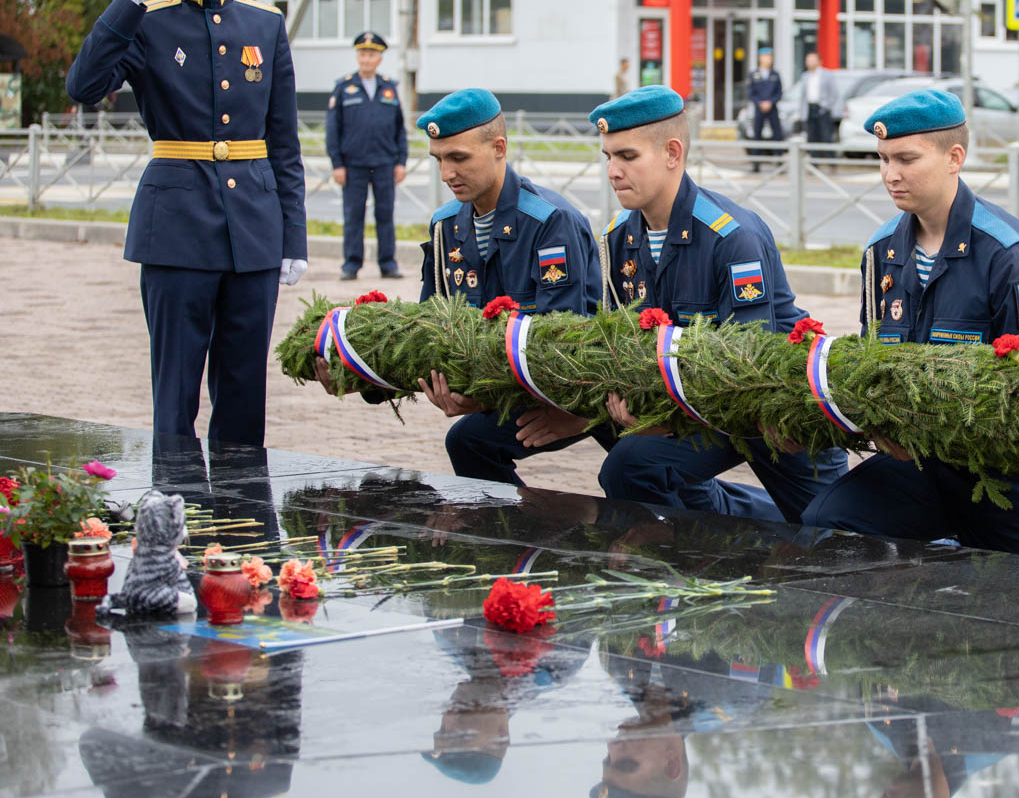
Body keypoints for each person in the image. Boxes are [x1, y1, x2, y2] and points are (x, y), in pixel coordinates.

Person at [66, 0, 307, 447]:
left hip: (253, 227)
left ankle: (241, 522)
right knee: (176, 393)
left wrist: (291, 234)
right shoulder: (146, 23)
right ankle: (172, 520)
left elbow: (284, 145)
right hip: (176, 227)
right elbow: (83, 86)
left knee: (245, 391)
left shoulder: (264, 24)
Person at [800, 89, 1019, 558]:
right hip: (918, 467)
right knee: (827, 523)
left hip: (1005, 476)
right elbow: (873, 366)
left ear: (955, 158)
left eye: (906, 158)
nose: (890, 174)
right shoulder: (881, 251)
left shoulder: (1009, 254)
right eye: (883, 159)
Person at [314, 88, 608, 485]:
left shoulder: (550, 223)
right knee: (469, 442)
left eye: (459, 158)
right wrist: (360, 377)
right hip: (511, 387)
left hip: (581, 392)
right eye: (438, 159)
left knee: (643, 471)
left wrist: (485, 397)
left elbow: (558, 343)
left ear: (499, 147)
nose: (446, 173)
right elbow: (425, 334)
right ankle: (520, 537)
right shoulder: (445, 225)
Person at [588, 84, 847, 523]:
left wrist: (667, 420)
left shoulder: (731, 236)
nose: (613, 171)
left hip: (774, 409)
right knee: (631, 465)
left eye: (627, 157)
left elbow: (747, 366)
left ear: (673, 153)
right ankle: (708, 551)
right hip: (698, 406)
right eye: (608, 156)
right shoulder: (618, 238)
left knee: (837, 529)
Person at [326, 30, 407, 281]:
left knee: (385, 215)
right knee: (353, 216)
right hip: (353, 165)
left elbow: (399, 128)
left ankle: (388, 263)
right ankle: (351, 265)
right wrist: (337, 164)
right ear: (357, 56)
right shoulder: (344, 87)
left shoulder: (389, 88)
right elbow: (332, 129)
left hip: (384, 163)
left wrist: (401, 161)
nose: (367, 59)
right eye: (363, 53)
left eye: (372, 54)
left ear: (380, 58)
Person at [797, 50, 844, 159]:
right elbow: (803, 96)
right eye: (808, 60)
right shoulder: (805, 76)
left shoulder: (827, 75)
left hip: (823, 109)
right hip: (810, 108)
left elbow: (834, 93)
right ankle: (814, 163)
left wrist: (827, 106)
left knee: (826, 136)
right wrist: (802, 112)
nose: (810, 62)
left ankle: (831, 162)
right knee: (811, 137)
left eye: (812, 60)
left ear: (819, 61)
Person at [746, 48, 783, 168]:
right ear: (760, 58)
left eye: (770, 56)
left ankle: (779, 161)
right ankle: (756, 163)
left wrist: (771, 102)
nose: (768, 59)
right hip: (759, 108)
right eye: (766, 56)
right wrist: (760, 103)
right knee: (757, 135)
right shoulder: (753, 74)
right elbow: (751, 93)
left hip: (772, 108)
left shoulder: (775, 74)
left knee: (777, 134)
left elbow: (779, 92)